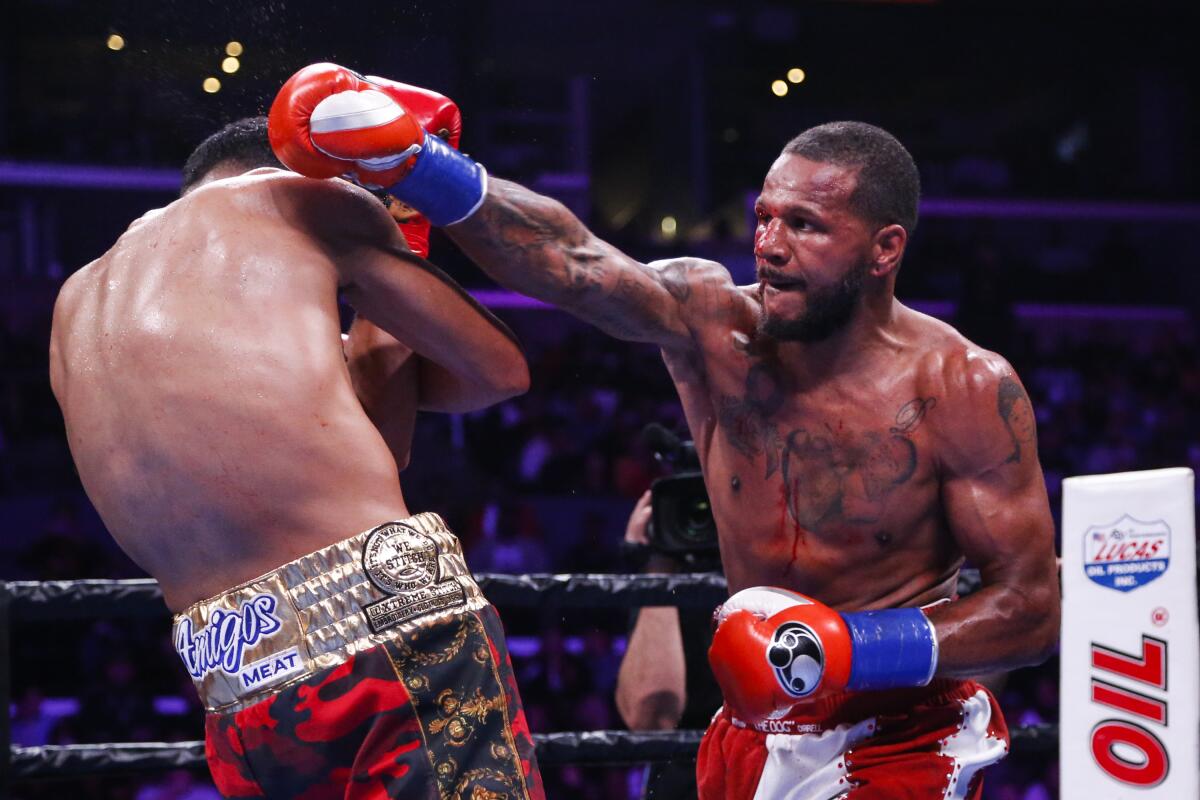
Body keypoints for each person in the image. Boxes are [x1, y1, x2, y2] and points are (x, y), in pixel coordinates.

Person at [269, 63, 1061, 799]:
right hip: (750, 725)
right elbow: (570, 260)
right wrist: (416, 165)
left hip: (901, 735)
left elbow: (1030, 609)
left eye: (807, 226)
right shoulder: (713, 323)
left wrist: (845, 649)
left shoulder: (961, 387)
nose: (770, 245)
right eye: (764, 217)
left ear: (886, 248)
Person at [49, 115, 545, 799]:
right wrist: (406, 225)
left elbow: (374, 442)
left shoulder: (76, 298)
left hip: (235, 689)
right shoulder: (299, 200)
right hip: (391, 638)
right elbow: (499, 372)